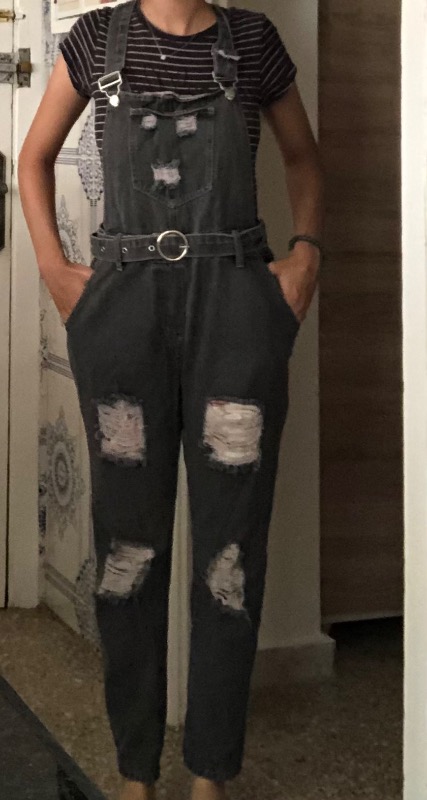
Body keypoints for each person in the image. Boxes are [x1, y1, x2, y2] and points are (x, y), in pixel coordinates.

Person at [18, 1, 323, 799]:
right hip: (122, 318)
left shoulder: (252, 39)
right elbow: (33, 158)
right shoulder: (94, 40)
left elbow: (303, 158)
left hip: (235, 315)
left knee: (230, 556)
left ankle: (211, 774)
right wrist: (55, 270)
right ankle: (135, 773)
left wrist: (305, 258)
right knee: (128, 551)